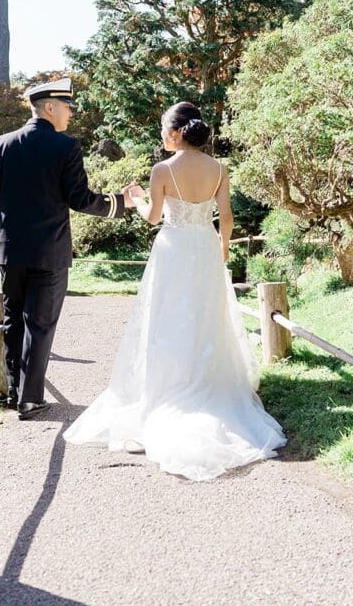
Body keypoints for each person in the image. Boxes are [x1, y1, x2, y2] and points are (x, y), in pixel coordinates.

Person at [63, 102, 287, 480]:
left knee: (166, 320)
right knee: (205, 317)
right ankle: (206, 383)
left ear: (176, 133)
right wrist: (224, 248)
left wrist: (134, 200)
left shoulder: (162, 170)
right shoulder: (219, 168)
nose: (162, 136)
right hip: (204, 246)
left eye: (164, 130)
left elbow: (153, 217)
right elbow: (226, 216)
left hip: (172, 250)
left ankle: (166, 390)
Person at [0, 77, 135, 420]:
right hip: (50, 253)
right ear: (50, 106)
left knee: (12, 320)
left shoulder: (2, 144)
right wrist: (120, 203)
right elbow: (80, 199)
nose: (71, 115)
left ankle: (14, 393)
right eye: (67, 108)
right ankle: (30, 399)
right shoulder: (66, 148)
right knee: (41, 324)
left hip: (11, 250)